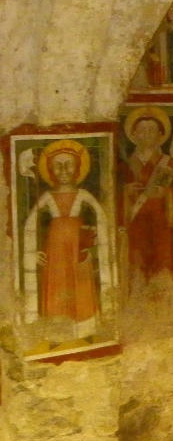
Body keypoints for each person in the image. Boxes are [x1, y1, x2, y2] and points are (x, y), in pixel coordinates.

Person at [22, 139, 114, 337]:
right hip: (55, 254)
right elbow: (29, 225)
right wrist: (31, 253)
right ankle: (57, 332)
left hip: (77, 252)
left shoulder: (83, 195)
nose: (63, 171)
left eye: (69, 165)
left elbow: (102, 220)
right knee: (57, 288)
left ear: (78, 168)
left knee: (81, 288)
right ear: (50, 170)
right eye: (57, 165)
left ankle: (85, 330)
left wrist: (97, 244)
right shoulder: (47, 197)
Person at [122, 107, 173, 283]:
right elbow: (113, 192)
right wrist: (126, 191)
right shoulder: (126, 164)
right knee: (137, 264)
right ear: (134, 134)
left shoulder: (168, 163)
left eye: (151, 130)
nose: (146, 134)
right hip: (136, 222)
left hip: (161, 222)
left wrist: (167, 193)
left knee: (162, 264)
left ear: (160, 135)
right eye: (142, 130)